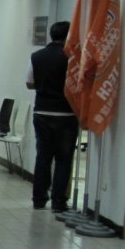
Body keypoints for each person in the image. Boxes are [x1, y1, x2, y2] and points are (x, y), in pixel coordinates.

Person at [26, 21, 78, 213]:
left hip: (42, 112)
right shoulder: (73, 58)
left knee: (43, 156)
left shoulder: (37, 56)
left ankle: (39, 199)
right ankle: (58, 202)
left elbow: (29, 83)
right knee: (64, 159)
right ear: (69, 36)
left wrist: (44, 85)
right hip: (66, 113)